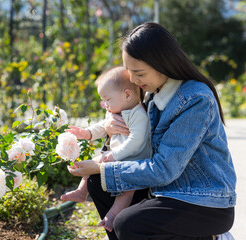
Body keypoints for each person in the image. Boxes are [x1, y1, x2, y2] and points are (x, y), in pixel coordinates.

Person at [67, 22, 236, 240]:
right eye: (129, 71)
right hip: (165, 190)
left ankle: (210, 238)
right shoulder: (152, 93)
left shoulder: (195, 100)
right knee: (97, 185)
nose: (133, 80)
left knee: (129, 223)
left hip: (204, 201)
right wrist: (109, 128)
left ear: (162, 64)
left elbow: (164, 169)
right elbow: (131, 141)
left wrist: (101, 167)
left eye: (139, 73)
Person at [61, 66, 152, 232]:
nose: (105, 105)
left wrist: (115, 154)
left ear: (127, 94)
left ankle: (113, 215)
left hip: (133, 161)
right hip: (115, 156)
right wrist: (86, 133)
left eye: (107, 99)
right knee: (90, 164)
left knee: (127, 190)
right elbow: (103, 127)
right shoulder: (115, 111)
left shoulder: (138, 114)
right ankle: (82, 191)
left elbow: (137, 141)